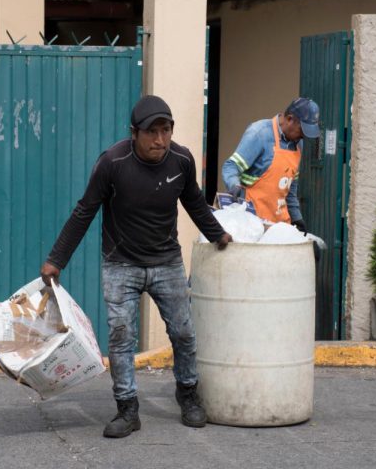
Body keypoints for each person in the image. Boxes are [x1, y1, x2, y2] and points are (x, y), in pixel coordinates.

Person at [40, 95, 233, 439]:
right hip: (120, 263)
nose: (160, 140)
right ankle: (127, 409)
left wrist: (218, 234)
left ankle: (187, 394)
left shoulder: (181, 160)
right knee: (121, 336)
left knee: (184, 332)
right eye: (152, 132)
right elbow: (85, 211)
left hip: (166, 261)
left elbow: (194, 203)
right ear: (134, 132)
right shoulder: (113, 163)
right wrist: (57, 259)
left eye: (166, 130)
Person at [221, 97, 320, 230]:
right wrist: (234, 185)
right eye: (302, 130)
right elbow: (231, 166)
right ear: (290, 119)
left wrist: (297, 218)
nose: (303, 136)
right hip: (253, 224)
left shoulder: (298, 144)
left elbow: (290, 189)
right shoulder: (260, 133)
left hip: (279, 226)